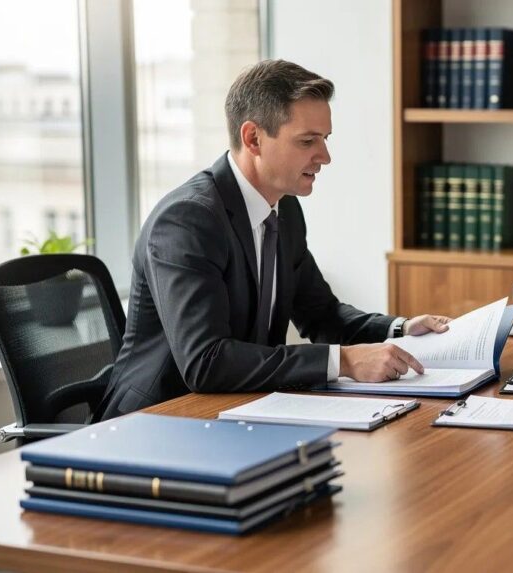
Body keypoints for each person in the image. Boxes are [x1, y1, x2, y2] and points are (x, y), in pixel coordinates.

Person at [98, 60, 449, 420]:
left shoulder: (285, 209)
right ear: (253, 139)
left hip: (238, 409)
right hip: (158, 420)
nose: (325, 157)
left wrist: (402, 329)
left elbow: (322, 315)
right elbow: (206, 361)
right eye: (307, 141)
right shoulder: (187, 220)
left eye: (325, 139)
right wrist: (342, 361)